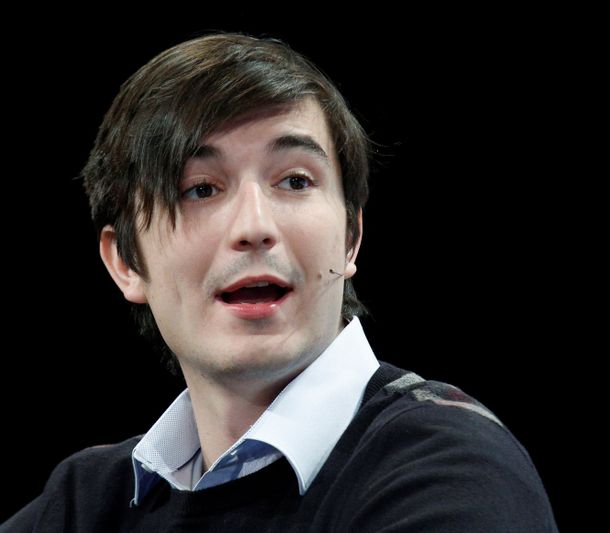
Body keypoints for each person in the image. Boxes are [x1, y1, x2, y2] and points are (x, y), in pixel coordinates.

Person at [1, 32, 558, 532]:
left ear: (350, 237)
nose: (255, 228)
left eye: (295, 180)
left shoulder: (448, 469)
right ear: (125, 260)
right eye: (200, 189)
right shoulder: (85, 502)